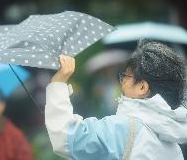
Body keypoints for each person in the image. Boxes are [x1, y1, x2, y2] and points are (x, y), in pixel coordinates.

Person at [45, 40, 187, 160]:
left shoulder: (124, 128)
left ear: (142, 87)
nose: (122, 81)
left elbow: (66, 138)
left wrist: (58, 82)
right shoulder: (173, 140)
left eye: (125, 76)